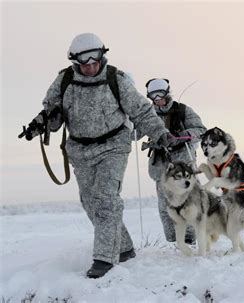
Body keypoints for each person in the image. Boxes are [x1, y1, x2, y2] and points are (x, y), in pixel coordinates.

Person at [19, 33, 177, 278]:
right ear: (75, 61)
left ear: (102, 56)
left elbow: (142, 111)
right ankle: (123, 248)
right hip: (80, 151)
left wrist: (160, 134)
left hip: (113, 146)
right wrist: (43, 122)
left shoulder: (117, 79)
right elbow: (52, 111)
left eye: (95, 61)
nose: (91, 67)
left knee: (106, 198)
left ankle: (104, 258)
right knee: (90, 202)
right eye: (85, 63)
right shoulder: (64, 80)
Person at [141, 78, 206, 243]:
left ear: (167, 93)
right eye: (152, 96)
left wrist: (180, 136)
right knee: (165, 205)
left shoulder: (183, 111)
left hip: (183, 163)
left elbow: (201, 130)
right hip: (161, 166)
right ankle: (172, 240)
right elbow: (134, 132)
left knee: (188, 202)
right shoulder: (147, 113)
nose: (157, 100)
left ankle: (190, 240)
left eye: (160, 95)